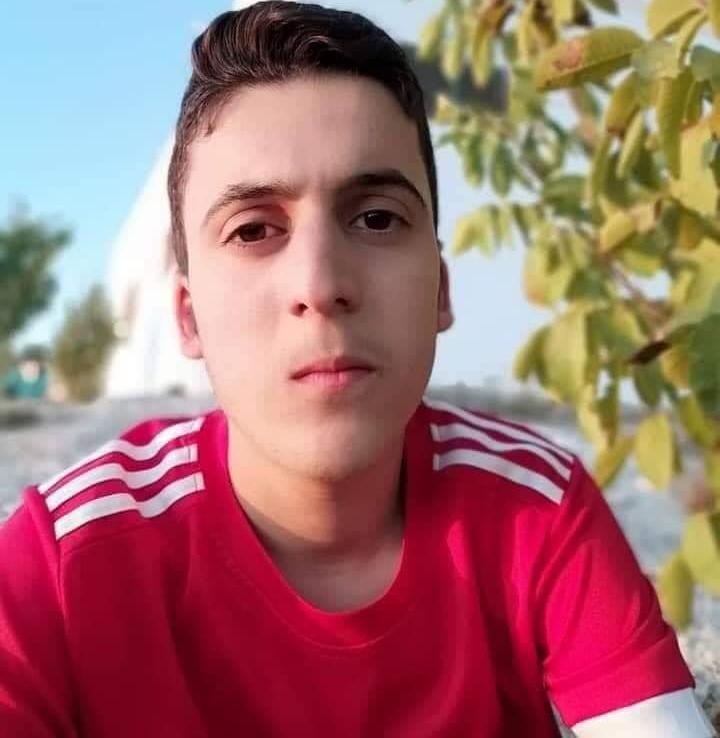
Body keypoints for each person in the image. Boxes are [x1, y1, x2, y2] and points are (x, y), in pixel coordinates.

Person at [0, 3, 715, 736]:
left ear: (440, 291)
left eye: (375, 218)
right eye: (254, 229)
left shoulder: (535, 508)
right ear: (188, 317)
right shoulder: (61, 563)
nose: (320, 284)